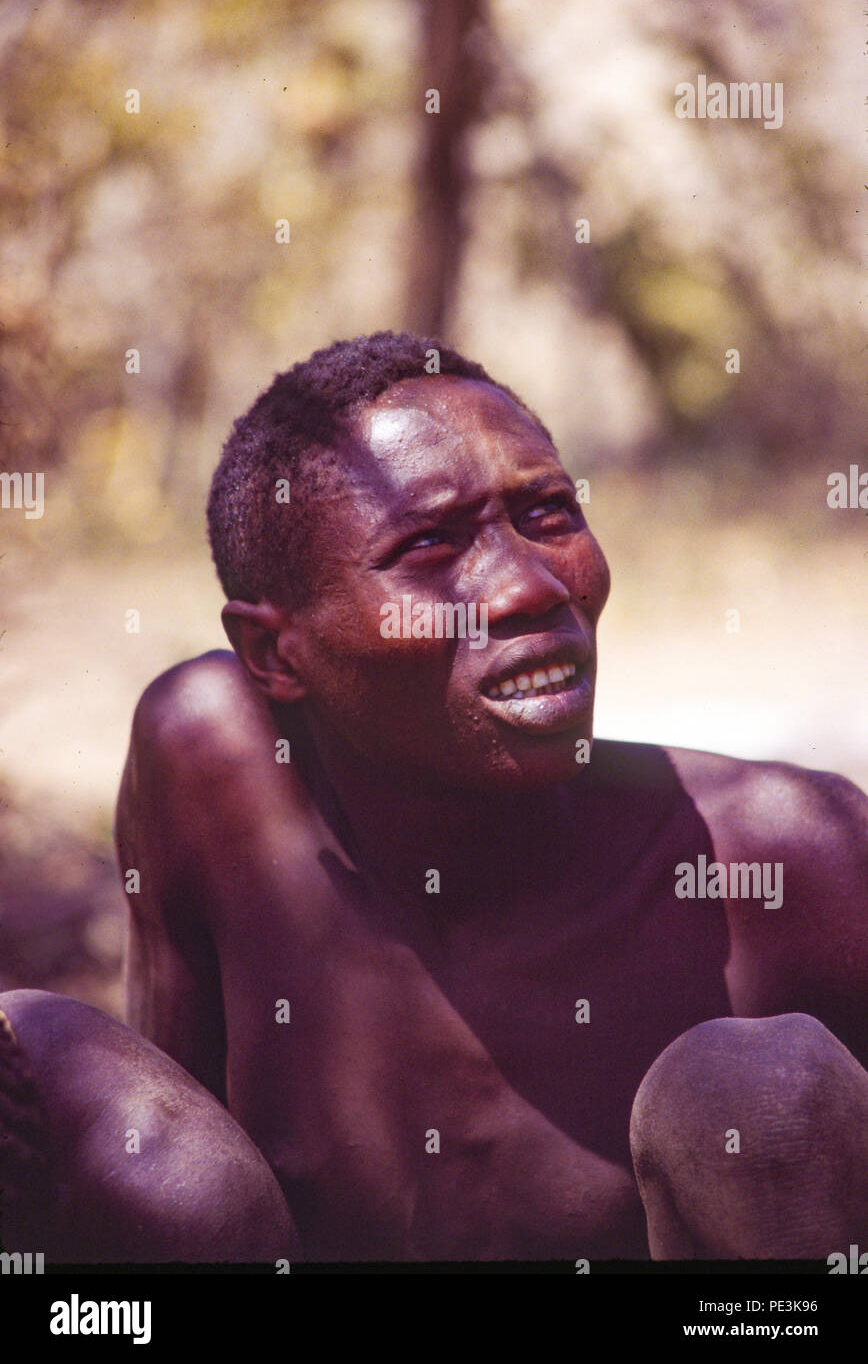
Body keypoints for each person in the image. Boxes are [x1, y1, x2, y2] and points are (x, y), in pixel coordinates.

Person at [2, 331, 866, 1263]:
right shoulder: (213, 771)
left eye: (548, 513)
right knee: (38, 1048)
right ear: (272, 654)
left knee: (754, 1092)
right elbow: (169, 1161)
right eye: (426, 546)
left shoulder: (794, 861)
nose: (528, 587)